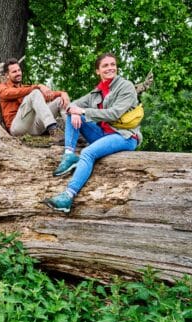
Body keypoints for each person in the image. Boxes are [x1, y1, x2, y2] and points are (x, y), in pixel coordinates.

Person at [44, 52, 142, 213]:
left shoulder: (126, 87)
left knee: (87, 153)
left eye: (113, 65)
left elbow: (114, 113)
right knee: (73, 114)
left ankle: (68, 197)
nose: (110, 68)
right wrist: (74, 110)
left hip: (124, 136)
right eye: (105, 65)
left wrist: (82, 111)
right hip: (103, 134)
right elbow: (75, 104)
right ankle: (68, 155)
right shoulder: (97, 91)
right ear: (98, 71)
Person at [0, 58, 70, 143]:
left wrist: (62, 93)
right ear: (7, 75)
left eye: (19, 70)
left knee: (60, 100)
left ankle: (73, 133)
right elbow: (7, 93)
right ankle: (54, 130)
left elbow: (48, 95)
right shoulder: (2, 87)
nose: (18, 73)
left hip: (34, 127)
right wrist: (37, 87)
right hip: (17, 128)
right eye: (14, 72)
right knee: (35, 92)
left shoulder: (26, 88)